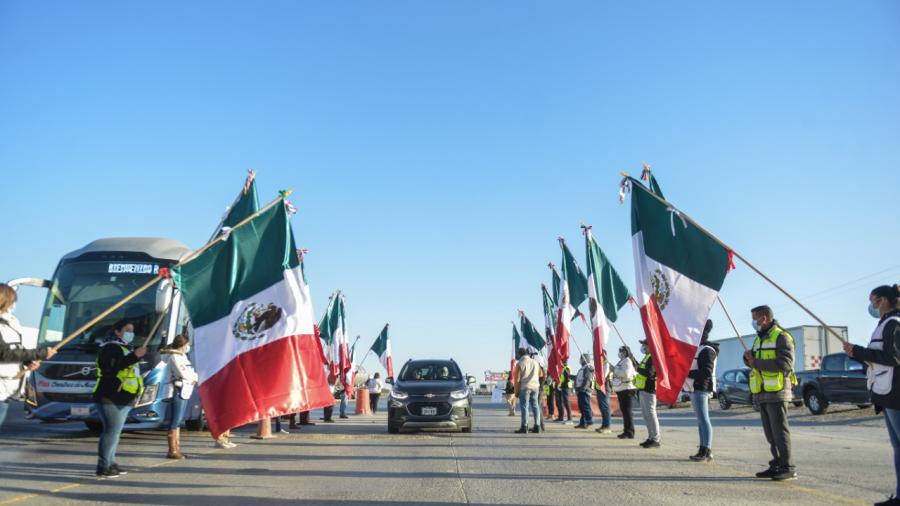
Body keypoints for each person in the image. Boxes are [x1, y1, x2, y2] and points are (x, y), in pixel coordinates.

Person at [844, 284, 900, 506]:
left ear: (883, 300)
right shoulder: (884, 324)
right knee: (897, 447)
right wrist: (856, 354)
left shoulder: (893, 324)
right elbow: (877, 360)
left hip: (896, 392)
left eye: (873, 300)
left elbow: (892, 358)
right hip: (887, 393)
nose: (871, 305)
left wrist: (859, 351)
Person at [743, 305, 797, 481]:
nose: (753, 322)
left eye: (755, 318)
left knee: (779, 431)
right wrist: (748, 358)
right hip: (763, 391)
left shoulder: (782, 336)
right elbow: (754, 361)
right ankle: (777, 463)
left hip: (777, 391)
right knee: (770, 433)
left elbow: (785, 364)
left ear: (764, 318)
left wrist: (756, 362)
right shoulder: (759, 339)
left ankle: (787, 467)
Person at [93, 319, 148, 478]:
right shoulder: (110, 347)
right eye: (127, 329)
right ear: (117, 332)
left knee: (115, 432)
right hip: (110, 396)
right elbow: (111, 367)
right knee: (111, 431)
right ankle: (103, 466)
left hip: (124, 397)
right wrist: (134, 356)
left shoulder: (125, 348)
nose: (131, 333)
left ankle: (111, 462)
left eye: (132, 330)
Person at [0, 284, 56, 431]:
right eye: (12, 301)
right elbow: (3, 353)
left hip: (6, 388)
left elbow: (14, 349)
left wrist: (27, 362)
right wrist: (40, 353)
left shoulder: (10, 322)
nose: (14, 305)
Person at [160, 332, 198, 459]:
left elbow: (189, 371)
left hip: (185, 389)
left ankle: (177, 448)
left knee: (178, 419)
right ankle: (172, 450)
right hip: (178, 389)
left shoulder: (182, 356)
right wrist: (196, 377)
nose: (189, 347)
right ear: (183, 344)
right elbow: (184, 373)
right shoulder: (175, 357)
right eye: (188, 345)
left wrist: (194, 377)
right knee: (175, 420)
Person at [687, 319, 718, 462]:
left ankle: (707, 449)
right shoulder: (699, 348)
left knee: (704, 419)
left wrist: (686, 373)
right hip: (695, 387)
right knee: (700, 420)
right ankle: (702, 448)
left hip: (702, 387)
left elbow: (706, 372)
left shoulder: (707, 349)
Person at [634, 339, 660, 448]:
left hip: (649, 390)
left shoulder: (653, 357)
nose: (643, 347)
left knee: (651, 414)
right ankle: (650, 437)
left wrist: (638, 369)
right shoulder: (646, 356)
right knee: (646, 415)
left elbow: (649, 373)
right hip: (642, 389)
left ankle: (656, 439)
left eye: (645, 344)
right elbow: (641, 368)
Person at [612, 345, 638, 439]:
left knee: (627, 412)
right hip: (622, 388)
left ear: (626, 352)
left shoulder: (627, 361)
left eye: (622, 351)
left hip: (627, 389)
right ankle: (626, 431)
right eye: (620, 351)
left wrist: (616, 371)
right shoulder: (622, 361)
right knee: (625, 411)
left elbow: (626, 374)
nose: (620, 353)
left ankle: (630, 432)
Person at [514, 348, 541, 434]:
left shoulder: (519, 364)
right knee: (535, 406)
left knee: (525, 407)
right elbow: (540, 374)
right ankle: (537, 426)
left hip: (525, 387)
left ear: (520, 355)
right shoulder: (535, 362)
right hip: (535, 387)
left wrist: (516, 391)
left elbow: (517, 379)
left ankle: (524, 426)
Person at [574, 353, 595, 429]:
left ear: (585, 359)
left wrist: (583, 388)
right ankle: (583, 423)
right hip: (580, 390)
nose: (580, 360)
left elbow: (587, 379)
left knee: (585, 406)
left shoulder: (588, 367)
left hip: (585, 390)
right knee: (582, 407)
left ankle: (589, 420)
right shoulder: (582, 368)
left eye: (581, 358)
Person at [594, 353, 612, 434]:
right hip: (599, 389)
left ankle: (607, 426)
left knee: (605, 408)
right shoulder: (600, 365)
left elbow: (603, 375)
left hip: (605, 389)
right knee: (602, 408)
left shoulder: (606, 364)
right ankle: (604, 425)